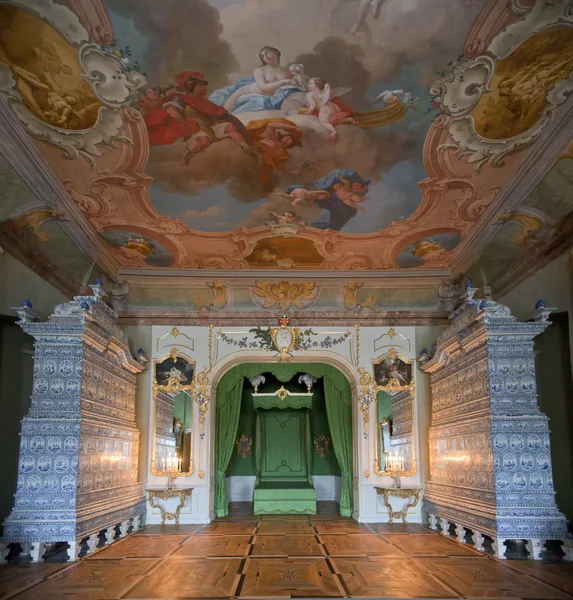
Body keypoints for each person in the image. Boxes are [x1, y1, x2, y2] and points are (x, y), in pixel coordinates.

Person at [143, 71, 251, 165]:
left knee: (230, 126)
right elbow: (172, 111)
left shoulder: (205, 102)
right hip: (194, 128)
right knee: (203, 140)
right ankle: (186, 157)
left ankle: (247, 147)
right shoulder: (181, 98)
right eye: (201, 86)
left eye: (205, 86)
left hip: (209, 127)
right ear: (192, 88)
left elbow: (218, 112)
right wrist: (187, 124)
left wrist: (221, 112)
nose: (205, 88)